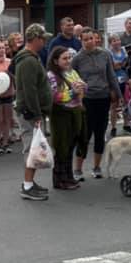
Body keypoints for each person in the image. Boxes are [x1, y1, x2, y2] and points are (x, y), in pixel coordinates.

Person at [69, 28, 118, 181]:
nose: (90, 42)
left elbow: (111, 75)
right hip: (86, 99)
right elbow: (71, 78)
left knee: (100, 132)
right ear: (81, 40)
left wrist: (117, 94)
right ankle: (78, 169)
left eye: (92, 38)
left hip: (103, 98)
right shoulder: (77, 58)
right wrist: (75, 96)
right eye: (86, 39)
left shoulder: (105, 54)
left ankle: (97, 167)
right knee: (84, 134)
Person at [13, 23, 53, 201]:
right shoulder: (28, 61)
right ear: (35, 39)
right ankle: (27, 185)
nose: (44, 42)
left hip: (32, 111)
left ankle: (30, 182)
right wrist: (36, 114)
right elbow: (29, 90)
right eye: (43, 39)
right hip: (29, 112)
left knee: (35, 147)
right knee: (32, 148)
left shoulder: (30, 58)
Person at [48, 46, 87, 190]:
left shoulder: (72, 72)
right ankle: (59, 180)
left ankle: (69, 177)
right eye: (64, 58)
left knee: (71, 146)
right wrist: (72, 93)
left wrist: (83, 86)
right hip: (60, 115)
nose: (68, 60)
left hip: (74, 112)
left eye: (69, 57)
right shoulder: (51, 76)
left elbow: (83, 88)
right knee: (61, 148)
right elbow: (54, 97)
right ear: (55, 61)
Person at [108, 34, 129, 137]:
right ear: (110, 43)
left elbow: (127, 64)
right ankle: (113, 127)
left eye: (118, 40)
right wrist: (121, 64)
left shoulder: (124, 51)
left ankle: (126, 124)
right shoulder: (109, 53)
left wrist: (120, 65)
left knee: (126, 103)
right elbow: (113, 67)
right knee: (114, 105)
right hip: (114, 81)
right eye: (114, 41)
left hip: (125, 79)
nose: (116, 42)